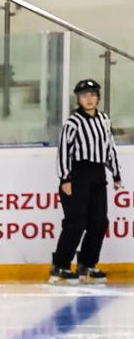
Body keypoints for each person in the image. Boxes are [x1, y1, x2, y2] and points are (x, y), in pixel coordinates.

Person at [50, 78, 123, 284]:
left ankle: (87, 264)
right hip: (77, 174)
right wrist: (65, 178)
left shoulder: (104, 119)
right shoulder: (72, 122)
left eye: (92, 95)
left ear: (98, 97)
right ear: (78, 99)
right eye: (84, 96)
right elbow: (64, 150)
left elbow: (109, 147)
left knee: (99, 222)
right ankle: (60, 266)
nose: (89, 99)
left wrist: (116, 174)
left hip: (98, 174)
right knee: (76, 222)